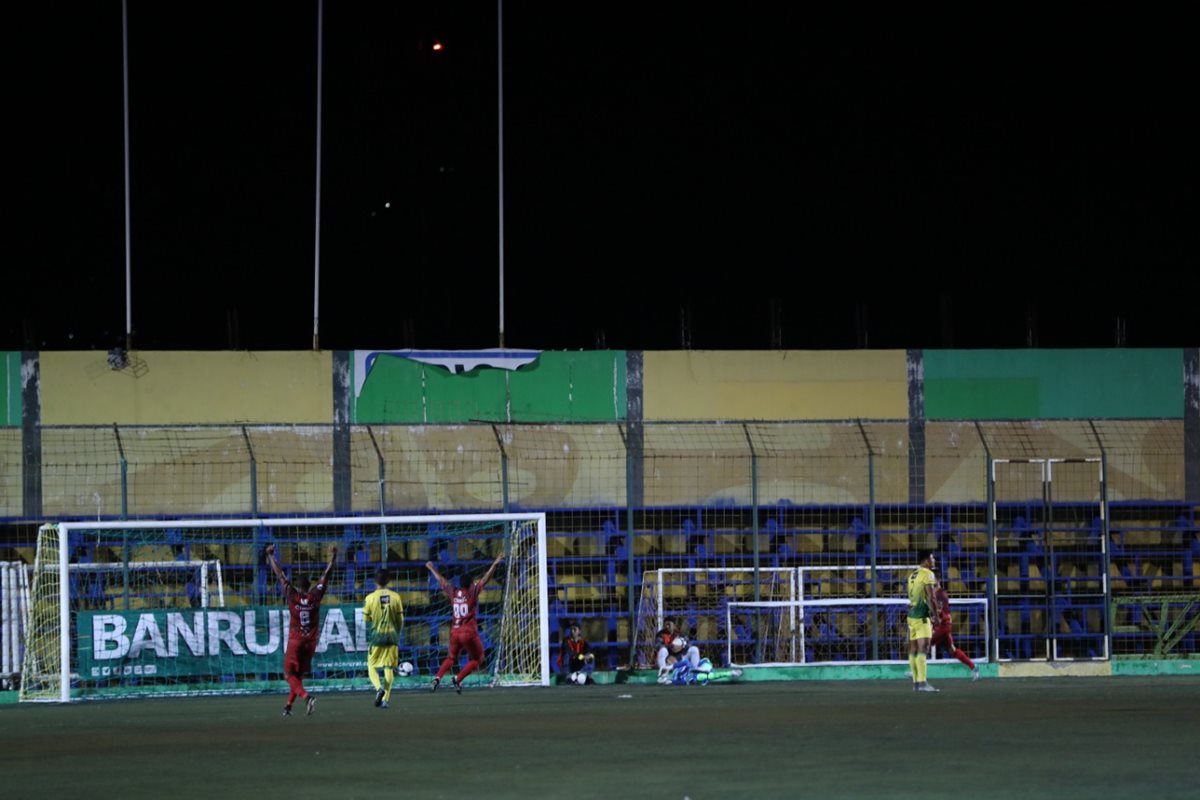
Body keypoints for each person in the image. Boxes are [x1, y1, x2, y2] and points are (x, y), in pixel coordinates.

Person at [265, 542, 337, 716]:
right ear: (309, 585)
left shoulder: (292, 595)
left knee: (289, 675)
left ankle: (307, 697)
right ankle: (288, 706)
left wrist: (270, 556)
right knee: (298, 674)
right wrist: (334, 556)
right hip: (311, 642)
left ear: (297, 586)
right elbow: (327, 575)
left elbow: (280, 574)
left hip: (295, 640)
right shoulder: (315, 595)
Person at [425, 550, 504, 694]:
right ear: (470, 584)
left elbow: (442, 581)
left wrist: (431, 568)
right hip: (468, 632)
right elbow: (486, 578)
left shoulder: (454, 592)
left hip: (454, 631)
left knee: (451, 658)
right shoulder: (472, 592)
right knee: (478, 658)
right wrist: (495, 563)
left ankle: (437, 678)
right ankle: (458, 679)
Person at [362, 567, 406, 709]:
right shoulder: (396, 597)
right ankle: (385, 700)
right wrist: (397, 633)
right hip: (392, 636)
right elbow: (401, 619)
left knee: (371, 666)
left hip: (377, 636)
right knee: (389, 667)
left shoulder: (369, 598)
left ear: (375, 581)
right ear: (388, 581)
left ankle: (378, 688)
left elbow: (365, 619)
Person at [906, 550, 940, 693]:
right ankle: (923, 682)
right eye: (932, 558)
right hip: (921, 616)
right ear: (926, 561)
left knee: (913, 649)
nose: (934, 561)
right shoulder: (928, 574)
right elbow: (931, 597)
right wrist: (936, 615)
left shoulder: (912, 575)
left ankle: (916, 683)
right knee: (923, 649)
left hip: (911, 615)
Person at [931, 583, 981, 681]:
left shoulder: (940, 594)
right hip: (944, 626)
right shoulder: (937, 593)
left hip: (943, 626)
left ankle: (917, 673)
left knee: (924, 644)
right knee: (952, 650)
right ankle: (973, 666)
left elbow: (940, 612)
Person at [654, 618, 700, 684]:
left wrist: (682, 646)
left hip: (680, 660)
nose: (667, 626)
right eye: (666, 624)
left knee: (694, 649)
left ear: (674, 625)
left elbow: (689, 645)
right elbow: (658, 646)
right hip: (668, 661)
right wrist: (671, 646)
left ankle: (694, 674)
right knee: (662, 650)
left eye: (669, 624)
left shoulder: (680, 634)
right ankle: (663, 675)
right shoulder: (660, 634)